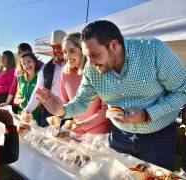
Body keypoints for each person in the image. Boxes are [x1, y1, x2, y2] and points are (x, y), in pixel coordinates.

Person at [36, 20, 186, 171]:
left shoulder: (153, 51)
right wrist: (61, 110)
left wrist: (147, 115)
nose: (91, 63)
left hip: (158, 135)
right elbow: (82, 101)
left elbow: (182, 90)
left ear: (114, 45)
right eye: (88, 57)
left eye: (95, 55)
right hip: (119, 136)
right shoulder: (90, 68)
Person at [60, 32, 111, 137]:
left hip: (98, 133)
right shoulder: (64, 73)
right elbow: (65, 102)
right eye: (65, 52)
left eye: (72, 51)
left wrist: (84, 124)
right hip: (76, 130)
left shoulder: (98, 71)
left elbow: (107, 110)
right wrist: (59, 114)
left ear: (83, 51)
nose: (67, 56)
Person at [24, 30, 66, 127]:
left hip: (71, 112)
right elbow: (38, 90)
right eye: (54, 47)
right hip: (50, 112)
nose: (56, 50)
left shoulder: (75, 65)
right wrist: (28, 109)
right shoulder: (46, 68)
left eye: (59, 47)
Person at [15, 53, 42, 123]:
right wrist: (17, 99)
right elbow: (19, 93)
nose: (27, 65)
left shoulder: (41, 78)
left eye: (29, 62)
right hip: (21, 114)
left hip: (35, 117)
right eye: (23, 64)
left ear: (34, 62)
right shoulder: (21, 78)